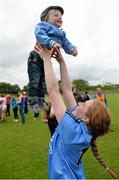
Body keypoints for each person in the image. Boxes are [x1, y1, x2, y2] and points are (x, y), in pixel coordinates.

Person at [36, 47, 118, 179]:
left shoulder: (73, 131)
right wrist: (61, 61)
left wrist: (46, 59)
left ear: (86, 118)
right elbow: (67, 90)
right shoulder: (81, 124)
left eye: (84, 104)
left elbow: (53, 92)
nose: (80, 103)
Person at [28, 6, 78, 111]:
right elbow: (40, 35)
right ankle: (32, 100)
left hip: (46, 59)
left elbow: (66, 43)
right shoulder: (43, 25)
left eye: (60, 16)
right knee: (35, 80)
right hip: (36, 57)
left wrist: (72, 49)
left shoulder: (62, 33)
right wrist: (51, 42)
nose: (59, 17)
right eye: (55, 15)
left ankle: (41, 100)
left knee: (44, 82)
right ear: (46, 19)